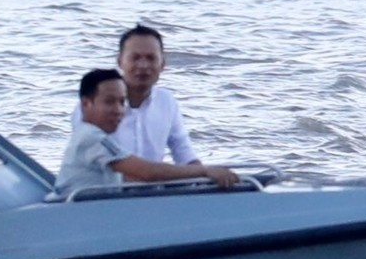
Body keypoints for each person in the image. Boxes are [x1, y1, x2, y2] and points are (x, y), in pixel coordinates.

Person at [56, 68, 243, 194]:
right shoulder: (92, 138)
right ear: (86, 104)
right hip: (81, 214)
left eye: (122, 102)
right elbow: (148, 172)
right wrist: (204, 171)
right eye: (109, 102)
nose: (118, 110)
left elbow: (130, 179)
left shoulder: (96, 137)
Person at [68, 25, 200, 165]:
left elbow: (183, 151)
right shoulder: (94, 104)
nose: (143, 65)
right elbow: (107, 164)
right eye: (135, 58)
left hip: (153, 184)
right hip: (99, 185)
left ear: (162, 64)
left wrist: (205, 174)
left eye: (151, 58)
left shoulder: (166, 101)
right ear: (120, 62)